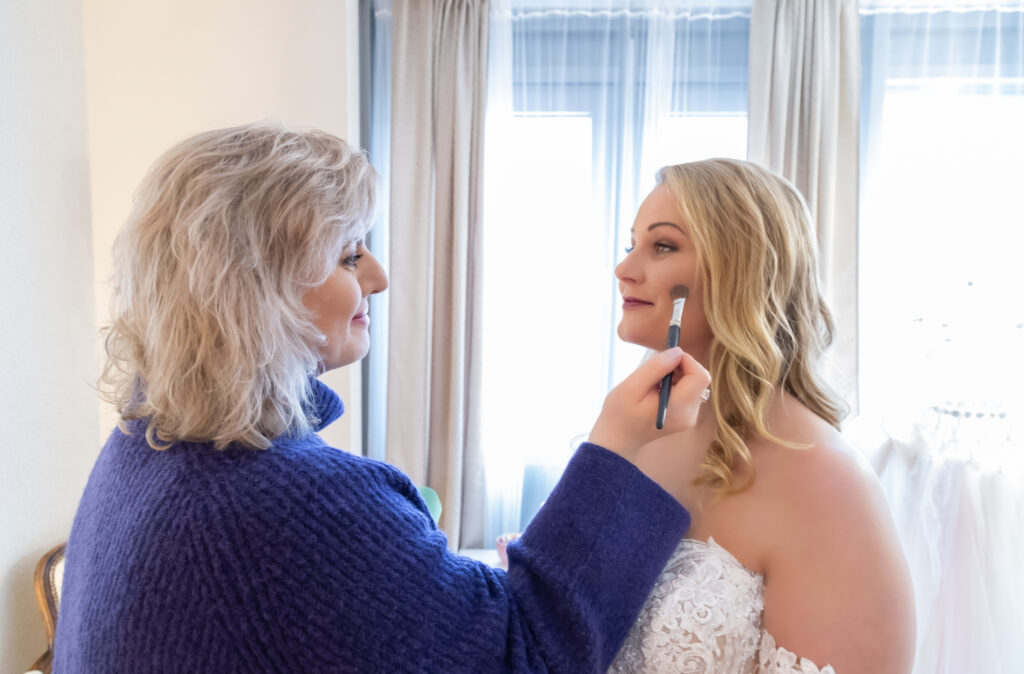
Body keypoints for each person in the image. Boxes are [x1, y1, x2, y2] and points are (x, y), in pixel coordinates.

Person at [52, 122, 713, 673]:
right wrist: (617, 446)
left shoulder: (143, 444)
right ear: (257, 291)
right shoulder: (298, 505)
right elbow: (529, 656)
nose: (379, 275)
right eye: (349, 256)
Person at [607, 159, 915, 674]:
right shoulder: (636, 435)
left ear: (741, 266)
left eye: (662, 246)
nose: (624, 269)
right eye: (630, 244)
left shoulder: (828, 482)